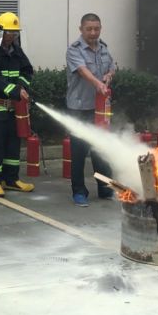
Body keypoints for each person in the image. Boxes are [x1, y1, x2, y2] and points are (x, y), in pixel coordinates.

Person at [0, 12, 36, 198]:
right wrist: (15, 91)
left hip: (14, 109)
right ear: (0, 32)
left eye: (15, 33)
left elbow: (28, 71)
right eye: (9, 32)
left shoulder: (17, 51)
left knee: (13, 143)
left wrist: (22, 87)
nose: (12, 36)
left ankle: (12, 180)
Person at [65, 13, 116, 207]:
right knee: (78, 152)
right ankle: (79, 192)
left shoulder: (104, 48)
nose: (93, 32)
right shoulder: (74, 50)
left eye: (96, 28)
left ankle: (104, 189)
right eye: (89, 29)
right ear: (81, 29)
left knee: (100, 150)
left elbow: (111, 67)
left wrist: (109, 76)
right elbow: (82, 71)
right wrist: (97, 84)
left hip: (99, 110)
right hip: (79, 108)